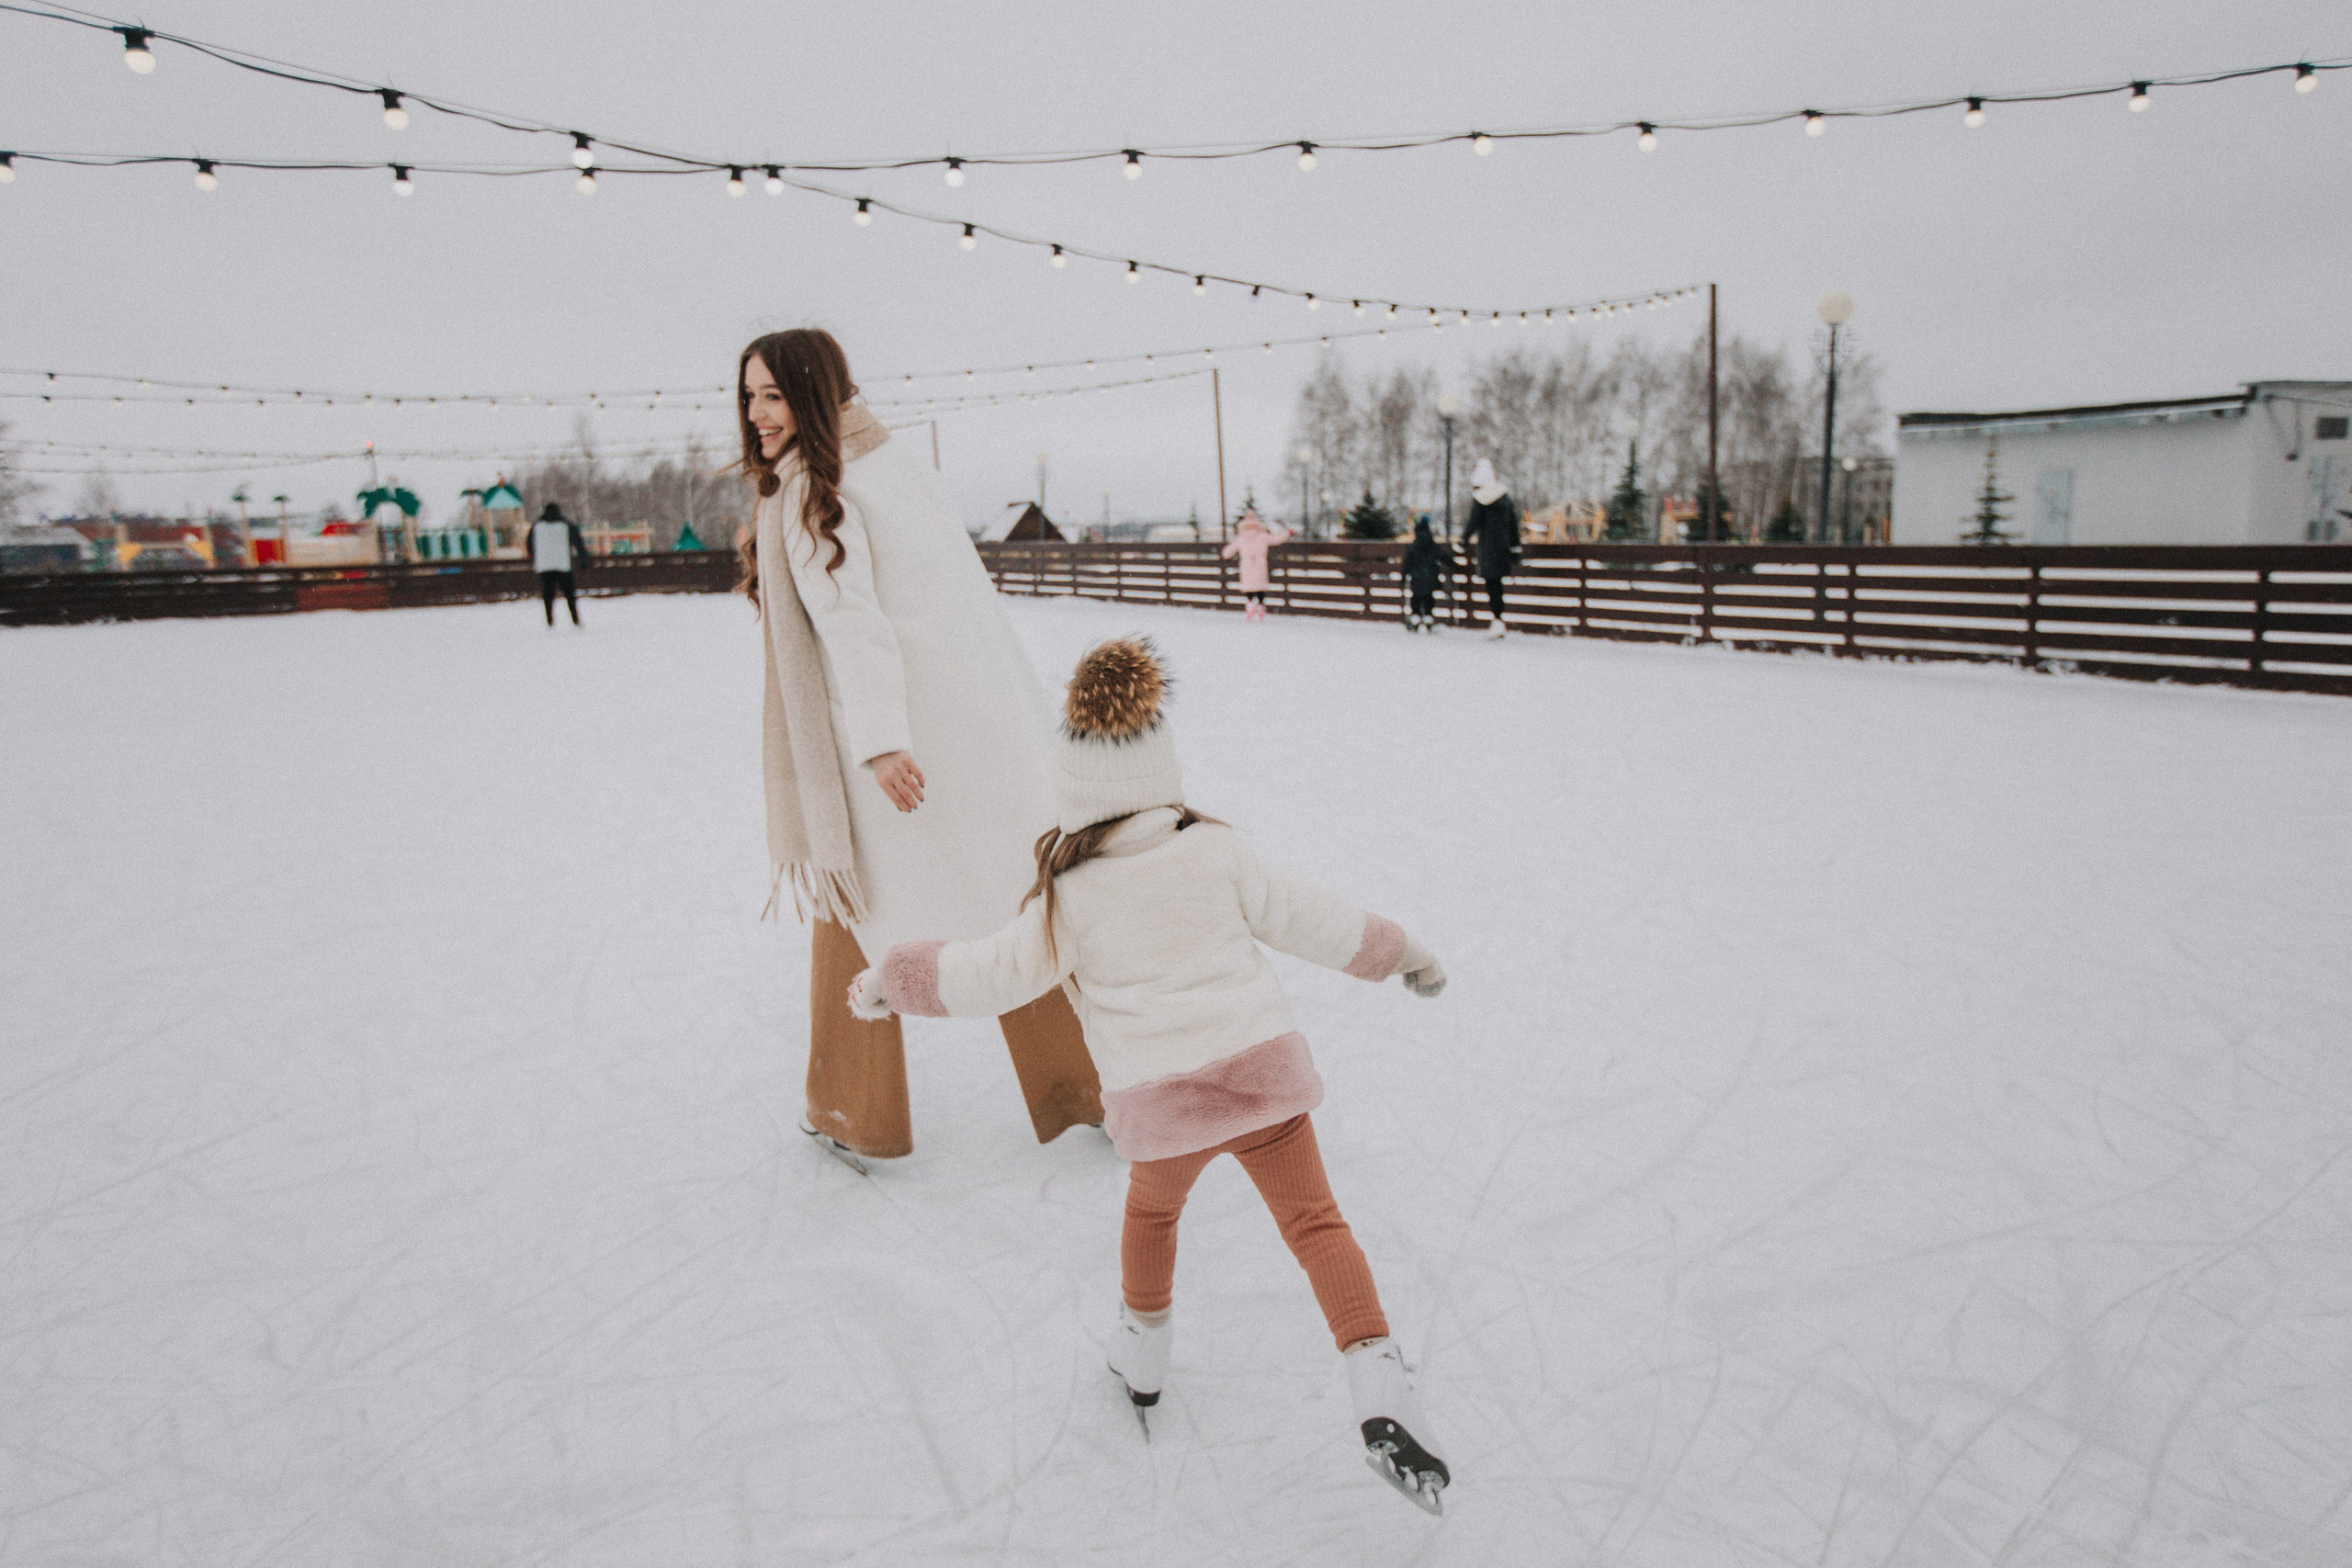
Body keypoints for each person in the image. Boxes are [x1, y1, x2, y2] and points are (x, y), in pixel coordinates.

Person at [845, 637, 1454, 1512]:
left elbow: (985, 974)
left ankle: (1142, 1354)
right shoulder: (1216, 849)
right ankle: (1379, 1382)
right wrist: (1408, 952)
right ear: (1161, 773)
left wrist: (886, 981)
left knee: (1154, 1214)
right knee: (1318, 1225)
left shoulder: (1067, 892)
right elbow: (1317, 919)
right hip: (1262, 1085)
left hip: (1162, 1107)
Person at [736, 327, 1102, 1171]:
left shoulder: (809, 491)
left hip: (887, 754)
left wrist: (880, 743)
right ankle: (1088, 1086)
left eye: (774, 395)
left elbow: (853, 625)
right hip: (975, 731)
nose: (757, 414)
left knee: (850, 906)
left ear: (814, 395)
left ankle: (852, 1110)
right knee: (1008, 900)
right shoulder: (890, 464)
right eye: (749, 395)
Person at [1455, 459, 1521, 639]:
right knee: (1497, 585)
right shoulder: (1505, 498)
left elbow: (1473, 522)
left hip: (1489, 549)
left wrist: (1463, 541)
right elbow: (1514, 524)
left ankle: (1498, 621)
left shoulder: (1481, 500)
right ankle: (1498, 620)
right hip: (1503, 550)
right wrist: (1515, 547)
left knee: (1492, 586)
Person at [1219, 507, 1291, 623]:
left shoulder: (1241, 538)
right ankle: (1261, 607)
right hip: (1260, 563)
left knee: (1249, 586)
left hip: (1246, 564)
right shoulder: (1262, 536)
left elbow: (1229, 551)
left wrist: (1225, 555)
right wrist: (1288, 533)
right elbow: (1276, 539)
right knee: (1260, 587)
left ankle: (1250, 605)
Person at [530, 502, 588, 627]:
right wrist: (583, 560)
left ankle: (549, 620)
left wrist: (536, 557)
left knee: (548, 594)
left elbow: (529, 545)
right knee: (569, 594)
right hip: (563, 564)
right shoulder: (566, 524)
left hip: (544, 565)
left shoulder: (537, 525)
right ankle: (575, 618)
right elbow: (578, 542)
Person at [1399, 515, 1453, 632]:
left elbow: (1407, 564)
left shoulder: (1413, 547)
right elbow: (1443, 557)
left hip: (1416, 578)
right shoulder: (1432, 545)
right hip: (1431, 577)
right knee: (1429, 599)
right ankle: (1428, 618)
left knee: (1416, 599)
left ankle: (1416, 618)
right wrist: (1453, 564)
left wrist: (1403, 578)